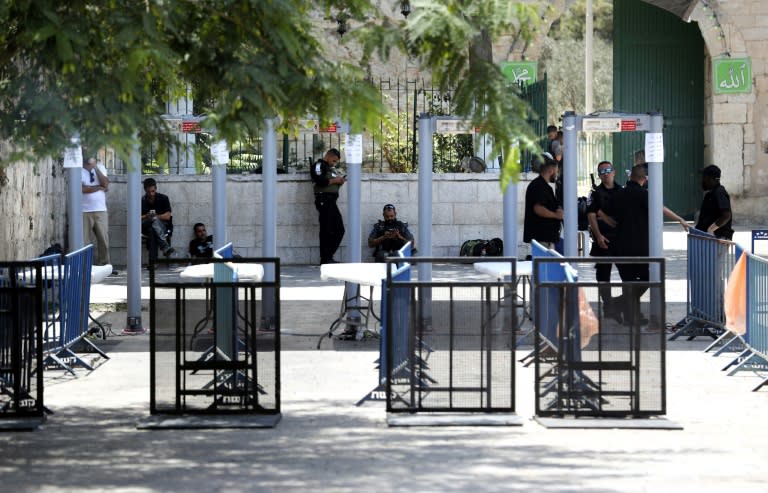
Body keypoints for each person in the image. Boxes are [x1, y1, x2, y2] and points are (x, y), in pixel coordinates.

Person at [612, 164, 651, 326]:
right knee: (646, 279)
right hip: (640, 247)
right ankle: (620, 305)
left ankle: (628, 314)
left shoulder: (619, 194)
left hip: (620, 246)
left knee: (627, 282)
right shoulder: (644, 195)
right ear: (644, 178)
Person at [586, 160, 623, 320]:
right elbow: (591, 215)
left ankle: (621, 305)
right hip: (602, 240)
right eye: (602, 171)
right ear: (599, 175)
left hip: (620, 240)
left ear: (614, 172)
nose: (606, 173)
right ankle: (608, 305)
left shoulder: (622, 191)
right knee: (603, 276)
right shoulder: (595, 193)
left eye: (608, 170)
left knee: (627, 274)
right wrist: (599, 235)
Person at [310, 148, 346, 264]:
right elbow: (320, 180)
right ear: (328, 156)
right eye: (334, 161)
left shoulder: (331, 168)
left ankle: (328, 256)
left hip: (331, 201)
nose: (334, 163)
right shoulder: (319, 165)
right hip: (324, 200)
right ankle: (325, 258)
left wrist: (339, 180)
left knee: (339, 229)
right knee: (327, 229)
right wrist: (336, 180)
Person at [524, 153, 563, 252]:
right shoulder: (539, 186)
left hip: (546, 237)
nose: (557, 174)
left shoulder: (543, 186)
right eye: (556, 170)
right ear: (551, 170)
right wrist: (556, 215)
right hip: (543, 238)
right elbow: (538, 208)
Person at [81, 156, 114, 272]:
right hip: (84, 210)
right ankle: (84, 267)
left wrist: (95, 168)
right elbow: (82, 189)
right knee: (84, 241)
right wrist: (98, 187)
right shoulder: (78, 169)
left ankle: (104, 265)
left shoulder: (100, 167)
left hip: (100, 210)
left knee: (103, 240)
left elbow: (105, 184)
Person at [695, 165, 733, 240]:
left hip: (718, 238)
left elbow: (726, 215)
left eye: (704, 177)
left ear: (711, 179)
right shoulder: (710, 194)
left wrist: (711, 229)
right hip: (708, 238)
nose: (703, 180)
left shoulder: (719, 192)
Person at [141, 177, 175, 260]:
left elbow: (167, 216)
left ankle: (153, 261)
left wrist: (156, 216)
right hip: (145, 225)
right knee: (151, 222)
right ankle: (165, 247)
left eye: (153, 191)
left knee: (152, 231)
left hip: (163, 226)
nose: (151, 194)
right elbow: (136, 218)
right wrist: (147, 216)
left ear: (156, 188)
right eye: (148, 192)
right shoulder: (142, 201)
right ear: (145, 190)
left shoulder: (163, 198)